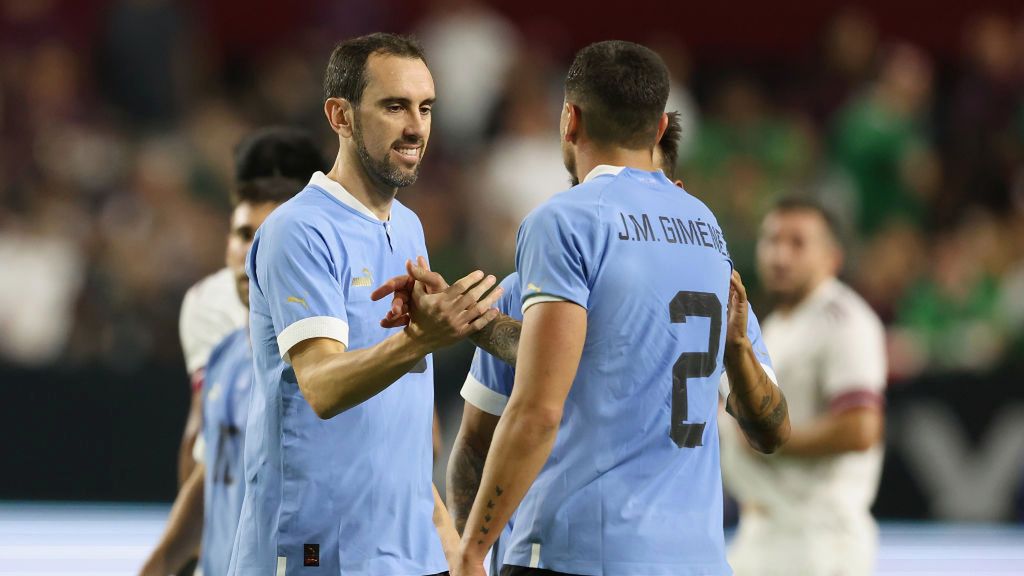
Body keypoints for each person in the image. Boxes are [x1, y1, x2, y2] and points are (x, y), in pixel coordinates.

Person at [448, 41, 789, 576]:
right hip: (697, 558)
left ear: (569, 119)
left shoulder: (564, 222)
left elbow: (537, 409)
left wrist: (468, 551)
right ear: (659, 130)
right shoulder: (708, 232)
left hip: (580, 550)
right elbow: (770, 429)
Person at [229, 33, 502, 576]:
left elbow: (400, 413)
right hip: (317, 551)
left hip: (408, 552)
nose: (416, 126)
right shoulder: (300, 230)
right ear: (341, 116)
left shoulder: (408, 226)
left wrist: (444, 532)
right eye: (395, 106)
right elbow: (322, 387)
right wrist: (420, 339)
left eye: (425, 108)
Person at [140, 175, 305, 576]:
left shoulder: (322, 363)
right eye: (243, 234)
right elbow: (214, 469)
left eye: (266, 236)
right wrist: (161, 563)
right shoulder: (225, 357)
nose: (251, 253)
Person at [720, 198, 886, 576]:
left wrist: (772, 439)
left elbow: (861, 428)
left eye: (797, 243)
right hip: (766, 529)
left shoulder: (844, 319)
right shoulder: (776, 324)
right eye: (772, 240)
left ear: (832, 257)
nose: (780, 254)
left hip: (816, 538)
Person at [176, 128, 327, 488]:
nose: (256, 250)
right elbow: (208, 438)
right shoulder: (211, 304)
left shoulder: (355, 291)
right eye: (246, 233)